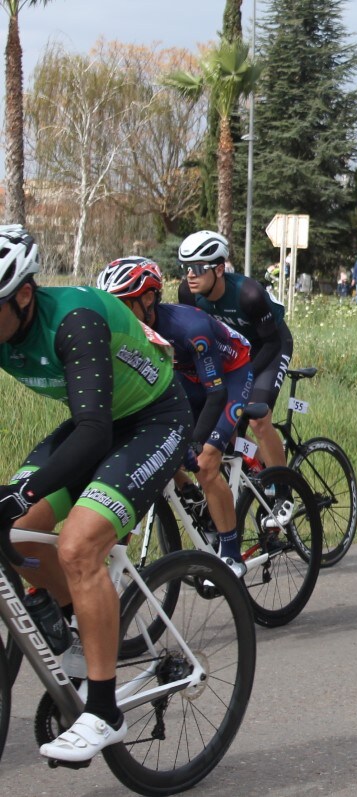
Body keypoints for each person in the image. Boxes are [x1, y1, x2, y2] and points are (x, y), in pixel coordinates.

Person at [0, 226, 192, 762]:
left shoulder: (74, 322)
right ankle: (70, 626)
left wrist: (18, 493)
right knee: (20, 529)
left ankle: (104, 709)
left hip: (155, 421)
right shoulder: (5, 325)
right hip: (101, 420)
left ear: (22, 294)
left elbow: (92, 436)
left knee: (78, 546)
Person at [96, 257, 253, 576]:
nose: (115, 314)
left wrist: (197, 442)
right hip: (188, 378)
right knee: (157, 450)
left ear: (148, 298)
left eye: (123, 304)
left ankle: (232, 555)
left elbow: (216, 394)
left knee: (207, 463)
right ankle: (192, 495)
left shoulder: (188, 328)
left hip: (231, 375)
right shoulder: (128, 333)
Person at [177, 231, 293, 476]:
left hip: (269, 345)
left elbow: (271, 343)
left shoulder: (248, 294)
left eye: (197, 268)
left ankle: (284, 490)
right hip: (233, 351)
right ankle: (261, 471)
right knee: (221, 425)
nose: (190, 275)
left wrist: (243, 378)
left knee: (257, 419)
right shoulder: (188, 294)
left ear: (219, 269)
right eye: (186, 267)